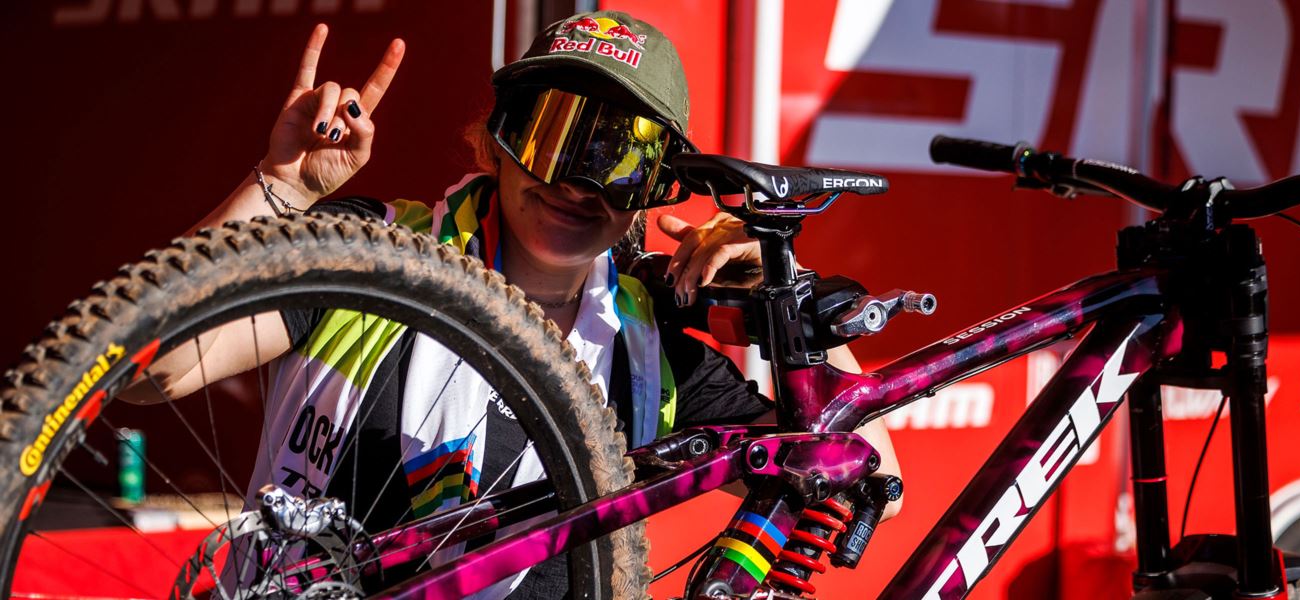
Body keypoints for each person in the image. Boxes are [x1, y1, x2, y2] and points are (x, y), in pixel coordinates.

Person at [130, 10, 899, 596]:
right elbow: (148, 366)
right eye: (552, 136)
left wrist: (781, 288)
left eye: (620, 159)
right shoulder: (371, 250)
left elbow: (864, 476)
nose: (577, 183)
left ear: (657, 190)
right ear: (492, 141)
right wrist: (280, 191)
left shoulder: (647, 340)